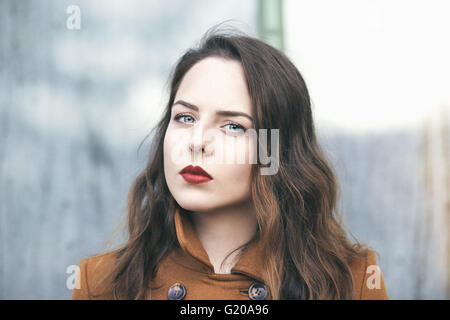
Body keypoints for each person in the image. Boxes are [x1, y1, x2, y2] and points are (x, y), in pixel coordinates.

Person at [72, 25, 389, 300]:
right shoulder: (102, 282)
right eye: (185, 117)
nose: (196, 142)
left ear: (273, 150)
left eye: (233, 126)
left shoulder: (351, 281)